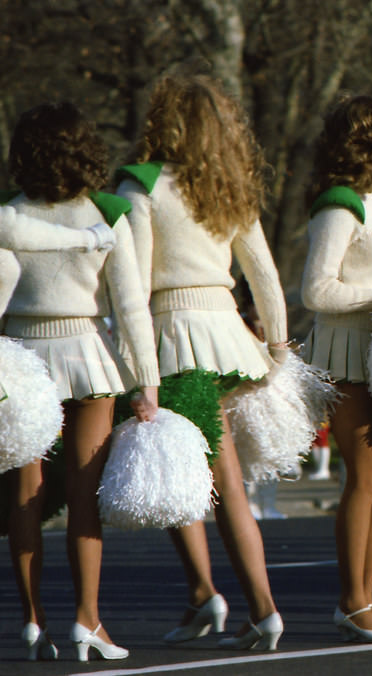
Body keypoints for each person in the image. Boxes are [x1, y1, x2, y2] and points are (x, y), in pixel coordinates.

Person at [116, 71, 287, 651]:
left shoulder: (140, 187)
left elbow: (133, 291)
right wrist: (280, 348)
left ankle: (251, 606)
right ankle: (208, 596)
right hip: (226, 333)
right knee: (198, 471)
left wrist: (140, 374)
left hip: (171, 335)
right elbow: (265, 277)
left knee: (201, 475)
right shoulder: (228, 187)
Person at [3, 101, 160, 662]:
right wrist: (148, 380)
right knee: (83, 492)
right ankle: (87, 622)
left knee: (26, 492)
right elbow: (132, 306)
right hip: (88, 355)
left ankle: (30, 621)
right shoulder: (108, 211)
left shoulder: (9, 213)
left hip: (19, 359)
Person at [300, 94, 372, 643]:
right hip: (345, 353)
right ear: (370, 143)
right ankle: (353, 601)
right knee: (365, 475)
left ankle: (366, 597)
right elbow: (316, 289)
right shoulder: (339, 204)